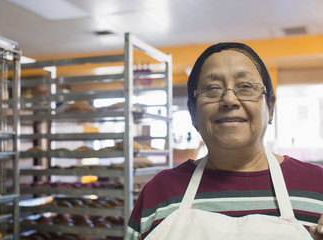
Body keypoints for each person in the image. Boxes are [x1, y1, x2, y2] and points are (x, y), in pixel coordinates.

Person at [125, 42, 323, 240]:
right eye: (212, 89)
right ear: (193, 112)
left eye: (245, 87)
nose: (229, 99)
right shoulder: (159, 192)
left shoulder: (317, 184)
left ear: (270, 107)